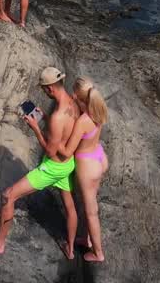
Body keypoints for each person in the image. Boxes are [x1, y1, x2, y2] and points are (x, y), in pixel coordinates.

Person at [0, 66, 80, 258]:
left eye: (43, 89)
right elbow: (63, 131)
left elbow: (49, 149)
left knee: (8, 196)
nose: (44, 93)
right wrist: (44, 117)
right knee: (70, 207)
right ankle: (71, 250)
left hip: (53, 168)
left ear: (49, 89)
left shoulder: (57, 116)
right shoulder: (72, 103)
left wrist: (35, 128)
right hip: (68, 164)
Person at [66, 76, 109, 263]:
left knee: (91, 212)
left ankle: (98, 253)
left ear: (76, 96)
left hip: (87, 166)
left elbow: (69, 149)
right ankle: (88, 238)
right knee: (91, 204)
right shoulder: (98, 109)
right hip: (99, 157)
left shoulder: (83, 120)